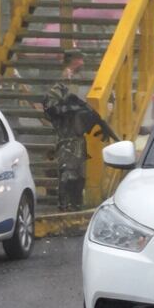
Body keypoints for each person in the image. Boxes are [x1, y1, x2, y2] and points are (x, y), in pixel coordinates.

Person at [41, 82, 117, 212]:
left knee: (78, 179)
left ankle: (75, 206)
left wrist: (99, 121)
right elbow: (55, 110)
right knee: (67, 175)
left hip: (77, 144)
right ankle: (64, 206)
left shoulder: (75, 109)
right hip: (66, 144)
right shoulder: (59, 110)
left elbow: (88, 114)